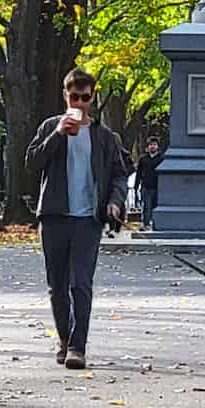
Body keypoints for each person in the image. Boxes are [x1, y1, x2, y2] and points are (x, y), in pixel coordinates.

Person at [25, 67, 128, 371]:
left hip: (88, 220)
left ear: (93, 98)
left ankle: (77, 347)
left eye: (85, 97)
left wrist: (114, 202)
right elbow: (31, 162)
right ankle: (64, 338)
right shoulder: (50, 127)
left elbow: (119, 175)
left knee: (80, 283)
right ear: (65, 96)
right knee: (57, 285)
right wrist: (58, 134)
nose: (79, 104)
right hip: (54, 217)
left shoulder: (105, 137)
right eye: (74, 97)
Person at [134, 136, 163, 229]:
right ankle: (145, 224)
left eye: (154, 144)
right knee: (146, 206)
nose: (152, 146)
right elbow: (138, 173)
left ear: (158, 146)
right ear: (148, 146)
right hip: (145, 187)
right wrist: (136, 186)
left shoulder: (162, 158)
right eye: (151, 144)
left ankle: (156, 225)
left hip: (158, 187)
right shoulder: (143, 159)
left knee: (156, 207)